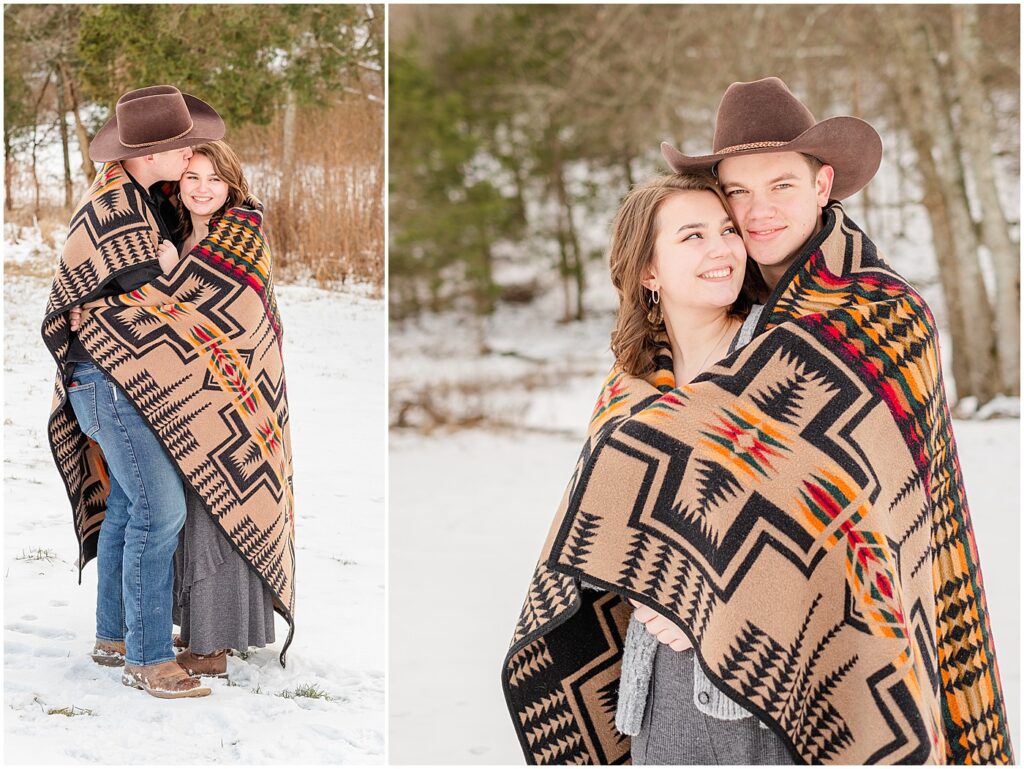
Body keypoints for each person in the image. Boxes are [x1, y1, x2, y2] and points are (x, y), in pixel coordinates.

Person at [503, 78, 1013, 765]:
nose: (755, 213)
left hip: (818, 669)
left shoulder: (878, 322)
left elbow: (867, 516)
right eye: (736, 193)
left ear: (824, 183)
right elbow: (605, 520)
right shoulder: (639, 381)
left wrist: (704, 587)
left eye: (780, 185)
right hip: (666, 689)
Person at [44, 85, 225, 698]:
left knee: (127, 504)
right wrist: (170, 272)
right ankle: (148, 660)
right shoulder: (119, 209)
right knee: (160, 509)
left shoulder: (139, 197)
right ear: (154, 153)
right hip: (108, 383)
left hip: (109, 380)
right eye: (184, 148)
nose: (193, 155)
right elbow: (144, 307)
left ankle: (114, 635)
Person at [167, 141, 278, 678]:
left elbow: (235, 317)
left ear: (231, 185)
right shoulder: (177, 232)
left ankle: (211, 646)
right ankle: (197, 627)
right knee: (186, 508)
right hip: (181, 393)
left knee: (220, 506)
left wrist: (171, 275)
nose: (203, 188)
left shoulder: (240, 234)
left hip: (231, 398)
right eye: (193, 177)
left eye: (214, 179)